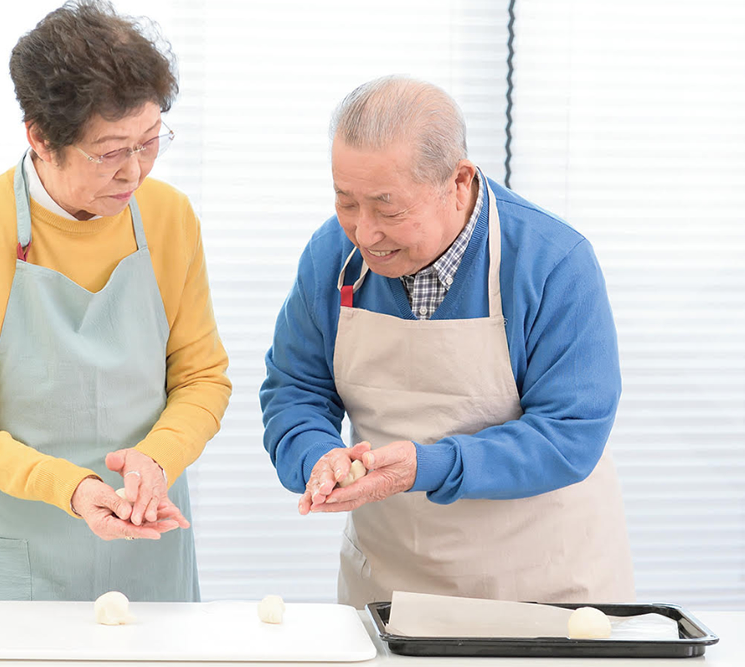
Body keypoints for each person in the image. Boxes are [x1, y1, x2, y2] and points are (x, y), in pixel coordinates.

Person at [260, 76, 633, 608]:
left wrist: (427, 465)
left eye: (388, 209)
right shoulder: (331, 256)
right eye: (347, 202)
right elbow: (294, 389)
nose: (364, 233)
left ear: (458, 181)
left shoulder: (553, 262)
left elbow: (570, 431)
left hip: (544, 587)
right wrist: (317, 457)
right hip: (391, 584)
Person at [0, 0, 230, 602]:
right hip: (11, 553)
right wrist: (73, 488)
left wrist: (157, 461)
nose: (135, 172)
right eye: (111, 151)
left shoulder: (169, 218)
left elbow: (202, 378)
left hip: (147, 539)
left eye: (150, 141)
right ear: (40, 138)